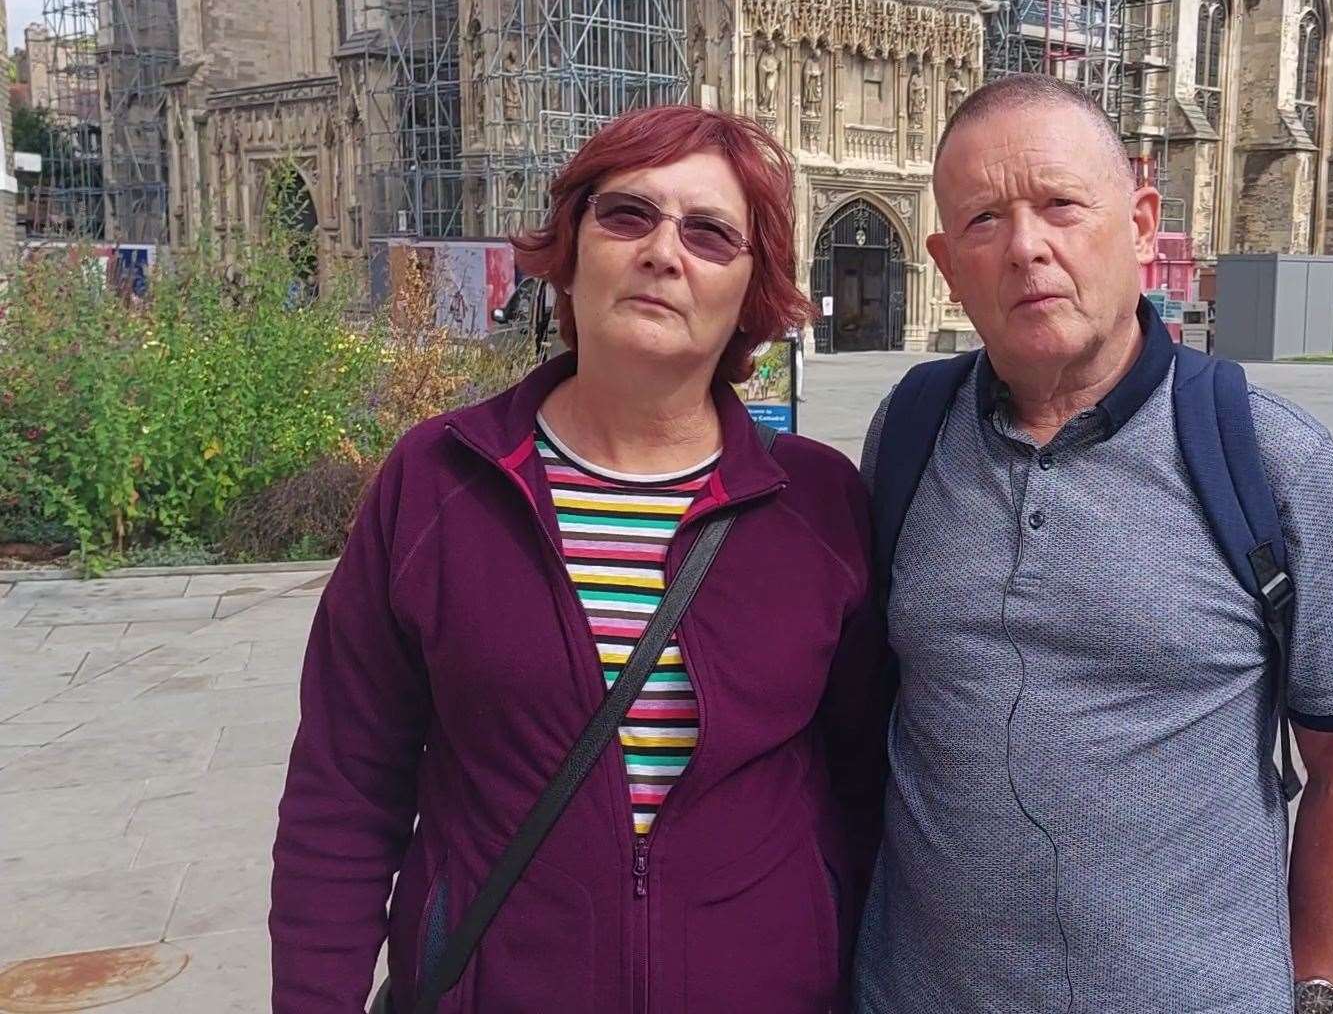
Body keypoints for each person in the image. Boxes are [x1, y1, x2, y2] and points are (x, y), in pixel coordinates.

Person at [270, 106, 892, 1013]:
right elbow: (345, 788)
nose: (663, 253)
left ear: (754, 290)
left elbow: (861, 781)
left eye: (712, 233)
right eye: (627, 214)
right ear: (571, 244)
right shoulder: (441, 482)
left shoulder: (817, 504)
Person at [853, 74, 1333, 1014]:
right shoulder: (909, 432)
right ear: (945, 264)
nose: (1027, 247)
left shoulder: (1271, 459)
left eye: (1062, 205)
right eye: (984, 221)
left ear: (1142, 224)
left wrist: (1315, 990)